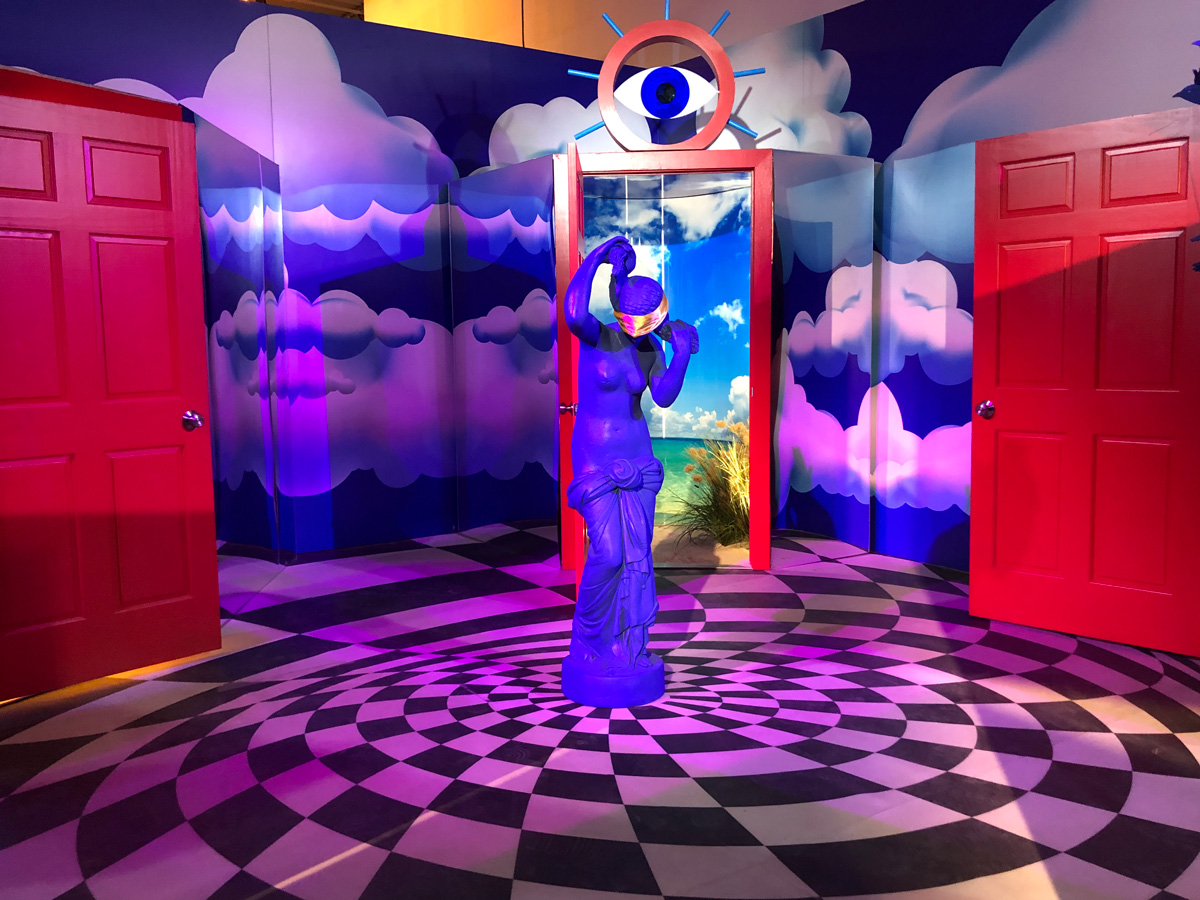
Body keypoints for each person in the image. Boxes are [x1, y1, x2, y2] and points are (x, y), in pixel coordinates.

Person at [561, 235, 698, 707]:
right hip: (595, 460)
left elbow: (663, 396)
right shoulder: (597, 336)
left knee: (636, 558)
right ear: (625, 316)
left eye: (655, 321)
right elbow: (573, 312)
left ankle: (625, 644)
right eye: (645, 321)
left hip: (639, 461)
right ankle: (588, 638)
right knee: (609, 553)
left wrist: (680, 354)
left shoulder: (649, 350)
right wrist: (599, 258)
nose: (649, 328)